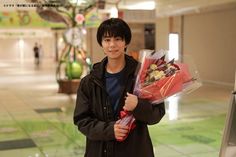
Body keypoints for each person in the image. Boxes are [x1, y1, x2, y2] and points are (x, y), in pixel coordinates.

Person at [73, 18, 165, 157]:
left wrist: (138, 105)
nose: (112, 45)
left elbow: (157, 115)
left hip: (135, 150)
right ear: (101, 44)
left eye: (117, 39)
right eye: (107, 40)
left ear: (125, 42)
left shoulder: (143, 75)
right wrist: (110, 130)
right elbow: (82, 121)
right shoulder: (89, 82)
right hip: (100, 151)